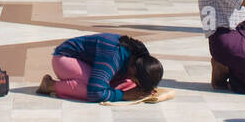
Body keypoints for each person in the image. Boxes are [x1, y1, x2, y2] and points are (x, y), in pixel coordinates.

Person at [36, 34, 171, 103]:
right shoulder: (113, 55)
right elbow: (96, 93)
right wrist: (123, 96)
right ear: (133, 70)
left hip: (90, 64)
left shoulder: (141, 56)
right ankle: (51, 86)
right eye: (138, 81)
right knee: (93, 89)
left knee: (126, 85)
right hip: (64, 59)